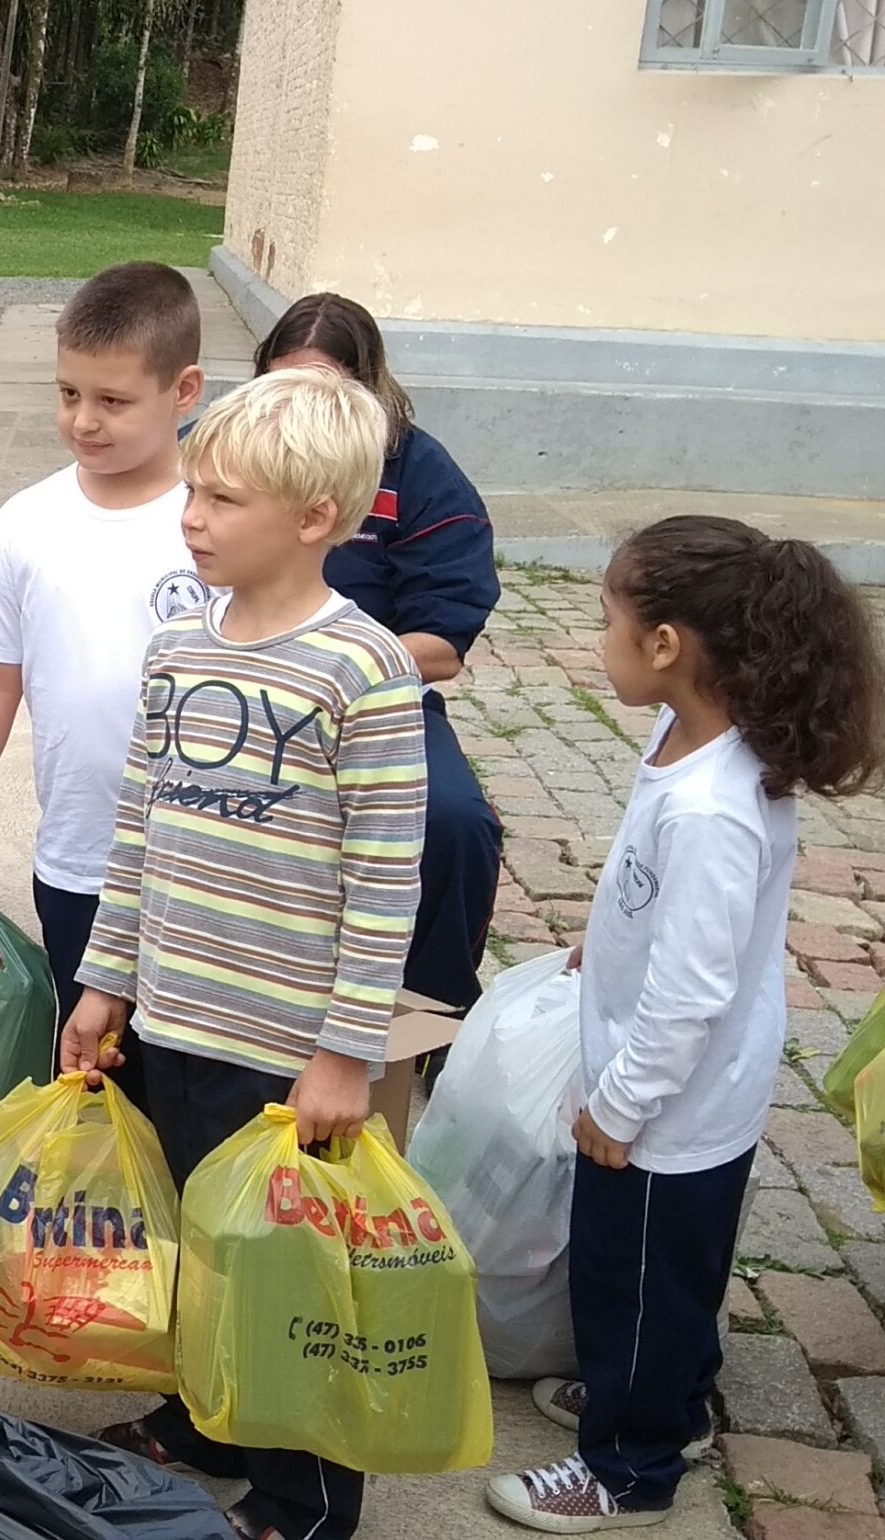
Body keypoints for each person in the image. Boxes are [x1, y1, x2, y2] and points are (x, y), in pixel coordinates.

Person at [69, 368, 427, 1540]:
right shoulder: (179, 645)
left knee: (284, 1276)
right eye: (193, 492)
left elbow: (384, 886)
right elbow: (141, 827)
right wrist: (105, 978)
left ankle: (305, 1496)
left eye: (221, 500)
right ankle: (201, 1417)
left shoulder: (362, 672)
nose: (191, 517)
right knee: (196, 1245)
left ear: (313, 519)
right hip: (171, 1016)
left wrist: (344, 1055)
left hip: (282, 1053)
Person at [486, 517, 885, 1533]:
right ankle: (667, 1395)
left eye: (606, 618)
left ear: (665, 644)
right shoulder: (692, 744)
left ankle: (629, 1466)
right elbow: (664, 902)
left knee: (633, 1280)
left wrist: (618, 1106)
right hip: (683, 1094)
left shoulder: (711, 804)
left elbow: (692, 991)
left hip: (664, 1109)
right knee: (668, 1281)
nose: (596, 641)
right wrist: (603, 936)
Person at [0, 260, 209, 1109]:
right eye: (67, 395)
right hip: (82, 860)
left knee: (192, 1088)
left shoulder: (215, 518)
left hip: (204, 866)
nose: (83, 421)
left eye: (113, 401)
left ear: (185, 391)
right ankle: (101, 1239)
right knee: (95, 1077)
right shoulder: (30, 521)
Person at [256, 293, 503, 1017]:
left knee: (457, 823)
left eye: (322, 388)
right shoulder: (225, 451)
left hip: (376, 699)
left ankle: (430, 1009)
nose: (298, 405)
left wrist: (330, 667)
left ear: (365, 388)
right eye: (281, 385)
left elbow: (442, 646)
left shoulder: (419, 474)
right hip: (232, 685)